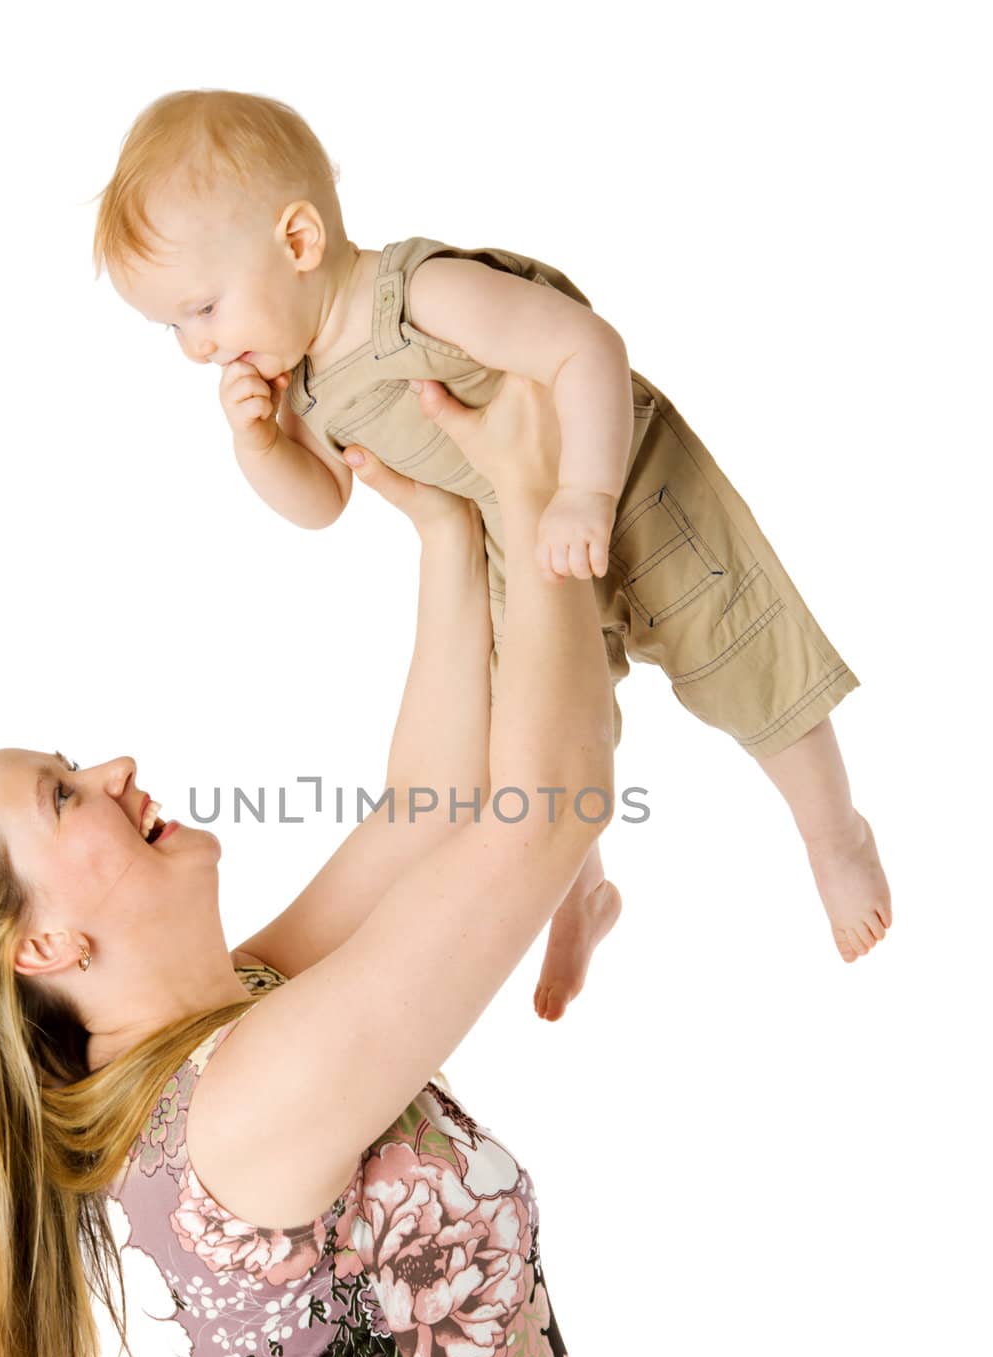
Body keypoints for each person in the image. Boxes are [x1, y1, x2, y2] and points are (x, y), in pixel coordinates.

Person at [0, 375, 635, 1357]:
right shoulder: (232, 1113)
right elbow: (533, 826)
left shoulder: (230, 1034)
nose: (111, 766)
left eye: (71, 763)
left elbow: (423, 816)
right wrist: (538, 495)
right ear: (40, 947)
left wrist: (439, 525)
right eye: (63, 794)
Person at [93, 87, 892, 1021]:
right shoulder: (302, 383)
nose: (199, 348)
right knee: (540, 745)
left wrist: (588, 492)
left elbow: (585, 347)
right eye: (175, 330)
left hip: (630, 479)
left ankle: (835, 833)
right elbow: (324, 505)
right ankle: (582, 890)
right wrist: (260, 448)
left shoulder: (418, 293)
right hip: (517, 537)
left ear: (299, 241)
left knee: (738, 653)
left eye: (203, 310)